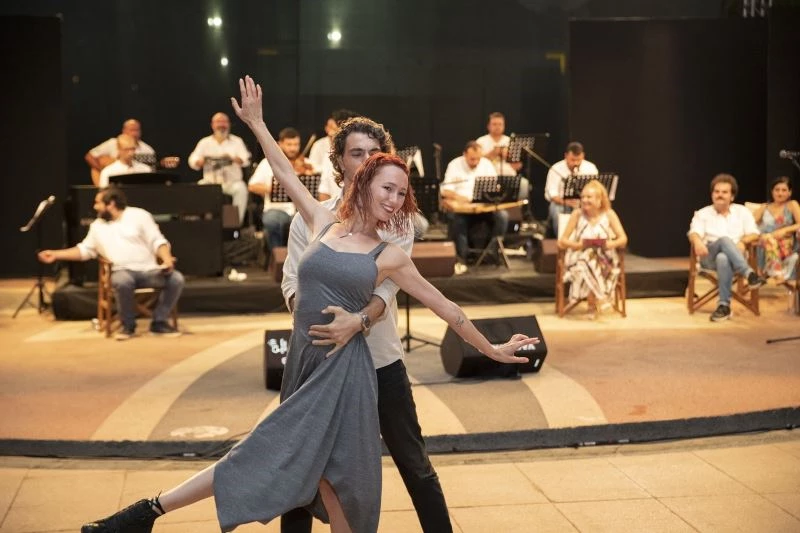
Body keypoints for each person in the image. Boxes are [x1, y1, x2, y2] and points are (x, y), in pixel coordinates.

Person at [80, 76, 535, 533]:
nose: (394, 199)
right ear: (354, 173)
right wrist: (257, 124)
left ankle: (145, 512)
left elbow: (444, 306)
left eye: (401, 192)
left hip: (361, 365)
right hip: (309, 360)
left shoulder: (392, 245)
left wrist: (492, 349)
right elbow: (283, 175)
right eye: (385, 187)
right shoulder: (320, 219)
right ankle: (146, 512)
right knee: (287, 463)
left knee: (341, 478)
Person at [281, 116, 444, 532]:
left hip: (379, 360)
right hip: (321, 362)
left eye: (374, 153)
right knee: (300, 468)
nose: (367, 161)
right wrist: (316, 320)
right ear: (339, 160)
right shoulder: (310, 217)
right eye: (357, 153)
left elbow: (387, 290)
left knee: (414, 463)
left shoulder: (397, 219)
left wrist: (357, 320)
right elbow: (292, 283)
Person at [37, 187, 183, 340]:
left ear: (111, 204)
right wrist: (55, 254)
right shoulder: (97, 226)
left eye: (98, 203)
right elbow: (85, 250)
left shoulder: (139, 215)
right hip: (122, 271)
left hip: (149, 270)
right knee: (123, 282)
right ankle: (128, 325)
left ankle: (159, 322)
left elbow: (157, 241)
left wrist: (167, 259)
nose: (95, 207)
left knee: (176, 279)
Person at [688, 173, 765, 322]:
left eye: (724, 192)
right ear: (712, 194)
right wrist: (697, 241)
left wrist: (743, 242)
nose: (720, 195)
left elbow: (754, 233)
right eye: (716, 192)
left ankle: (723, 306)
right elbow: (694, 232)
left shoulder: (742, 212)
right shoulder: (703, 213)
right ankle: (749, 274)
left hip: (735, 258)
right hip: (708, 257)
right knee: (724, 240)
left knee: (723, 258)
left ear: (732, 196)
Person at [557, 179, 627, 315]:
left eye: (589, 197)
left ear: (600, 199)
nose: (584, 200)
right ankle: (602, 296)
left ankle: (593, 302)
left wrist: (609, 244)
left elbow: (623, 239)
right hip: (579, 257)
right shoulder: (577, 214)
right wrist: (578, 245)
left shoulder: (609, 214)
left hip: (605, 259)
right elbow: (562, 241)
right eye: (583, 197)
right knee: (587, 258)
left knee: (592, 260)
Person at [248, 127, 317, 255]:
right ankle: (278, 257)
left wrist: (309, 174)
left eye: (296, 144)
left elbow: (319, 186)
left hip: (302, 209)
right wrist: (273, 188)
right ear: (280, 144)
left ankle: (305, 258)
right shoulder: (267, 163)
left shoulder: (307, 163)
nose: (293, 148)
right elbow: (252, 186)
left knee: (315, 222)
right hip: (277, 208)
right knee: (272, 221)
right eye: (289, 144)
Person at [440, 141, 507, 271]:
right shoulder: (454, 165)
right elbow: (445, 190)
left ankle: (491, 253)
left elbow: (496, 188)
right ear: (464, 154)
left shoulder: (486, 164)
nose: (475, 162)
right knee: (458, 221)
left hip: (484, 207)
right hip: (462, 208)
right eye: (472, 159)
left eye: (478, 159)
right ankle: (462, 258)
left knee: (502, 217)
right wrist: (460, 198)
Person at [188, 112, 251, 225]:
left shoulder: (237, 141)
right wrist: (201, 161)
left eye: (224, 122)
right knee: (199, 187)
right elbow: (192, 161)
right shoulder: (205, 142)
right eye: (218, 122)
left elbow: (246, 160)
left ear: (229, 124)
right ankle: (203, 223)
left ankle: (233, 225)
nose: (221, 125)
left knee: (241, 189)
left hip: (232, 183)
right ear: (212, 125)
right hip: (210, 182)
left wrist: (233, 159)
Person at [544, 141, 598, 236]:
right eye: (572, 160)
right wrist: (567, 202)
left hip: (583, 202)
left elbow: (596, 190)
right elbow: (552, 194)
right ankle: (562, 239)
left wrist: (583, 202)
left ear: (583, 156)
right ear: (566, 156)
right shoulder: (556, 168)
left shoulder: (590, 168)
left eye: (578, 160)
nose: (575, 163)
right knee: (556, 209)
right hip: (562, 203)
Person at [753, 176, 800, 282]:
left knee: (769, 239)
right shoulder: (764, 207)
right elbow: (750, 224)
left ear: (789, 192)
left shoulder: (792, 205)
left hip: (785, 245)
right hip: (764, 245)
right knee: (768, 239)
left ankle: (776, 272)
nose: (780, 193)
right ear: (772, 191)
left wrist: (785, 230)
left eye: (784, 190)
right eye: (777, 190)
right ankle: (776, 273)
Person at [85, 119, 156, 187]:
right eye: (131, 130)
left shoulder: (148, 151)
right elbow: (90, 156)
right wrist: (101, 170)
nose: (134, 133)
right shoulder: (112, 144)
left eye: (137, 130)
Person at [475, 112, 521, 177]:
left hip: (509, 176)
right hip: (487, 177)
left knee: (525, 182)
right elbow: (475, 162)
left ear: (504, 126)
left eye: (500, 124)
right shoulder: (481, 141)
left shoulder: (510, 141)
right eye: (494, 124)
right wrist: (492, 154)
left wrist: (508, 157)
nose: (497, 127)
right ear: (488, 126)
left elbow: (518, 166)